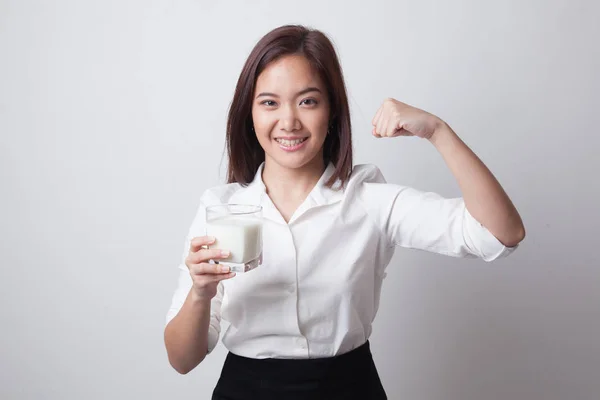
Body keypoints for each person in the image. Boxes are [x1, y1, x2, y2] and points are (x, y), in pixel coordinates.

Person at [164, 24, 525, 399]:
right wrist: (200, 294)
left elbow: (501, 234)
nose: (288, 122)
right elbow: (182, 359)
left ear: (332, 110)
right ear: (249, 113)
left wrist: (437, 131)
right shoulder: (221, 209)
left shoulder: (369, 199)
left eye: (308, 101)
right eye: (269, 102)